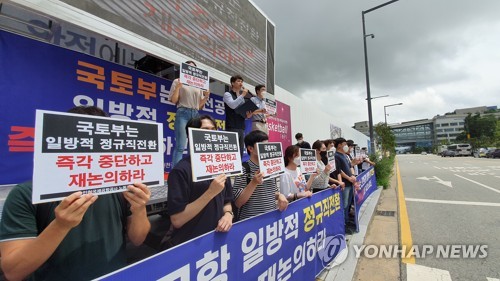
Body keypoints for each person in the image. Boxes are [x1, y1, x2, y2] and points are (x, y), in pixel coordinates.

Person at [0, 106, 151, 281]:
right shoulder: (26, 194)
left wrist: (139, 210)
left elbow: (138, 239)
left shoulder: (123, 187)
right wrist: (61, 225)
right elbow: (13, 271)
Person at [167, 115, 233, 248]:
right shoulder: (181, 170)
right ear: (191, 135)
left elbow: (226, 201)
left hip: (217, 239)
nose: (210, 134)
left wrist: (228, 214)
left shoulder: (221, 166)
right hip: (190, 245)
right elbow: (177, 220)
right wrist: (210, 193)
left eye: (213, 130)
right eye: (205, 130)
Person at [233, 130, 288, 220]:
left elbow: (272, 192)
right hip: (250, 222)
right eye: (262, 145)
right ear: (250, 148)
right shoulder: (243, 169)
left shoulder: (271, 167)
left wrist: (279, 195)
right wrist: (253, 183)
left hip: (270, 219)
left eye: (267, 144)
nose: (267, 148)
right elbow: (238, 202)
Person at [169, 60, 210, 167]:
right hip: (183, 112)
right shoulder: (177, 81)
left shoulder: (199, 85)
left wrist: (206, 96)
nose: (191, 70)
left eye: (194, 68)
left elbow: (200, 106)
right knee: (180, 146)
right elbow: (173, 100)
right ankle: (176, 174)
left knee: (195, 145)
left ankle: (194, 170)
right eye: (189, 67)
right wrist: (178, 87)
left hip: (195, 114)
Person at [223, 75, 253, 157]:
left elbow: (241, 113)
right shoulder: (227, 94)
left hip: (241, 127)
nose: (241, 83)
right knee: (232, 152)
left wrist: (248, 116)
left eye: (241, 81)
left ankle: (239, 169)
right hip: (231, 126)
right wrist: (242, 95)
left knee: (239, 153)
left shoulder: (241, 97)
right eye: (238, 81)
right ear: (232, 83)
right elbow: (232, 105)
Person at [334, 137, 357, 234]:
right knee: (344, 204)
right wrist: (348, 178)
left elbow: (349, 166)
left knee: (347, 205)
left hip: (350, 183)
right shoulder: (336, 155)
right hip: (345, 184)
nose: (346, 146)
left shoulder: (344, 155)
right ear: (339, 145)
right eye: (344, 144)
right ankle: (343, 225)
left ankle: (347, 222)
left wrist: (352, 176)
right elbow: (339, 170)